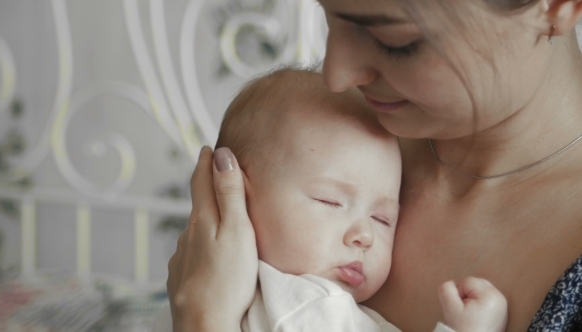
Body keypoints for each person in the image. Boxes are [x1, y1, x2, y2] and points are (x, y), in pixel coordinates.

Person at [166, 0, 582, 331]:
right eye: (330, 18)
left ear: (555, 6)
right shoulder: (324, 144)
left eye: (395, 40)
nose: (337, 74)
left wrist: (205, 322)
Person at [156, 68, 507, 332]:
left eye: (383, 219)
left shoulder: (192, 291)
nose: (364, 236)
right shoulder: (311, 307)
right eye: (330, 202)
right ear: (238, 200)